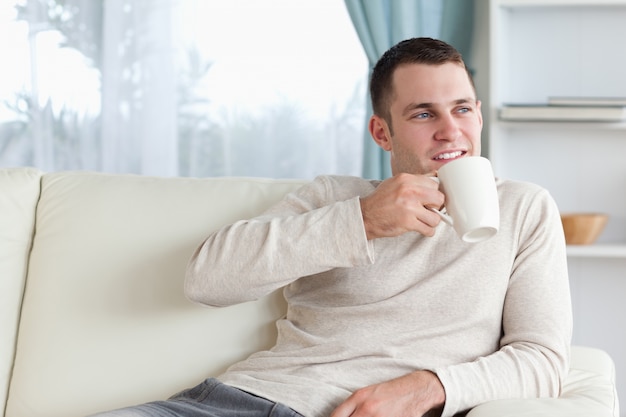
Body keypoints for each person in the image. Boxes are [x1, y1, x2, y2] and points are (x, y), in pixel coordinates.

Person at [91, 37, 572, 417]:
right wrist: (361, 219)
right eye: (423, 113)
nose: (451, 130)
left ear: (479, 115)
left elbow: (543, 361)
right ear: (381, 132)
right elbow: (207, 280)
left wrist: (427, 389)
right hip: (232, 400)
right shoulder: (334, 197)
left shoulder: (524, 208)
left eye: (462, 109)